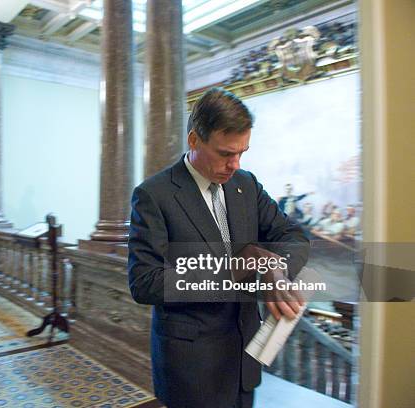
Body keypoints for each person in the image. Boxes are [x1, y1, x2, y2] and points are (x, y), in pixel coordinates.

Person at [128, 88, 310, 408]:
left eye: (242, 152)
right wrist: (233, 269)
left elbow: (293, 235)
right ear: (195, 140)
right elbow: (145, 282)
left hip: (244, 358)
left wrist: (275, 267)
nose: (235, 164)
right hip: (190, 367)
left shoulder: (247, 184)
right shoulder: (153, 195)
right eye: (226, 153)